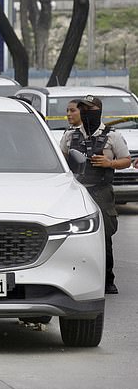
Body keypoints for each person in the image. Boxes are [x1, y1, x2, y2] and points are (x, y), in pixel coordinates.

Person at [59, 95, 131, 294]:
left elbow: (126, 160)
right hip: (76, 192)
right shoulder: (70, 135)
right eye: (82, 109)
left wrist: (110, 163)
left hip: (101, 190)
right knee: (72, 235)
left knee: (105, 235)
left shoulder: (112, 136)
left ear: (98, 111)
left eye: (89, 109)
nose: (85, 113)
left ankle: (108, 278)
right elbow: (60, 160)